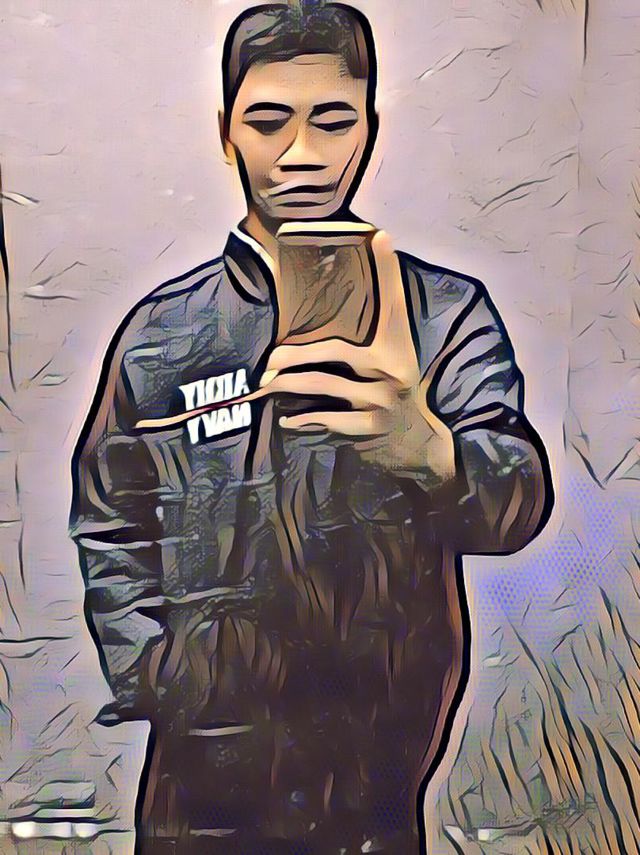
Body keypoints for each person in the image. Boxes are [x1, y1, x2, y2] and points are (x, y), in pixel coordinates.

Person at [69, 2, 553, 852]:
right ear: (227, 134)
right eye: (268, 121)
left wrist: (432, 453)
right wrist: (158, 673)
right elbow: (110, 515)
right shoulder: (163, 333)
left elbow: (517, 505)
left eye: (332, 120)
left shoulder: (442, 316)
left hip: (376, 774)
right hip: (197, 780)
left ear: (370, 129)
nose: (301, 152)